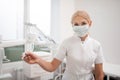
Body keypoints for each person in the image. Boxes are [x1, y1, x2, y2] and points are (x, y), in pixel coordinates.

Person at [23, 10, 104, 80]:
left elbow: (99, 74)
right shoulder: (67, 43)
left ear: (90, 23)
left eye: (83, 23)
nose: (80, 27)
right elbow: (52, 66)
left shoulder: (96, 45)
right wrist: (38, 60)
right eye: (76, 24)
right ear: (72, 25)